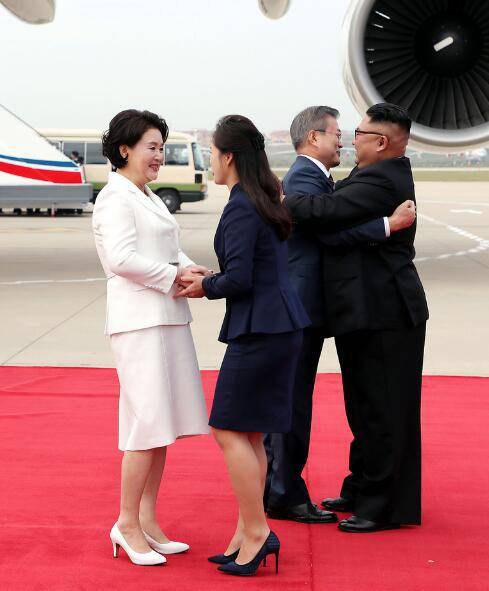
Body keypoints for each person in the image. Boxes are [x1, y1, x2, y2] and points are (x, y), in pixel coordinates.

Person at [264, 106, 416, 524]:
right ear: (315, 137)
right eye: (339, 133)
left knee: (378, 409)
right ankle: (341, 489)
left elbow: (324, 217)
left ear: (381, 142)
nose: (348, 139)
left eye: (358, 132)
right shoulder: (324, 175)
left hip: (381, 309)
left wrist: (281, 199)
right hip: (349, 309)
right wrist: (386, 224)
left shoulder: (378, 178)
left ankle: (380, 504)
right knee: (358, 407)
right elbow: (326, 225)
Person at [176, 114, 309, 576]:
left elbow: (240, 278)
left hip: (262, 330)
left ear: (228, 156)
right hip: (278, 326)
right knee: (248, 432)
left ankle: (257, 532)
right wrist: (212, 278)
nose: (211, 161)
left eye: (212, 153)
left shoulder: (241, 205)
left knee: (228, 429)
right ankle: (245, 532)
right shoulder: (261, 198)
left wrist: (202, 284)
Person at [92, 109, 210, 566]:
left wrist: (190, 268)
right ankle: (125, 523)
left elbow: (166, 246)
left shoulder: (147, 195)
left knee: (160, 425)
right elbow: (121, 258)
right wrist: (173, 276)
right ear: (125, 149)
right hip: (139, 321)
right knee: (145, 425)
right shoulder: (115, 197)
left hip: (166, 316)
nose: (159, 156)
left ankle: (146, 519)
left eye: (162, 148)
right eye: (152, 147)